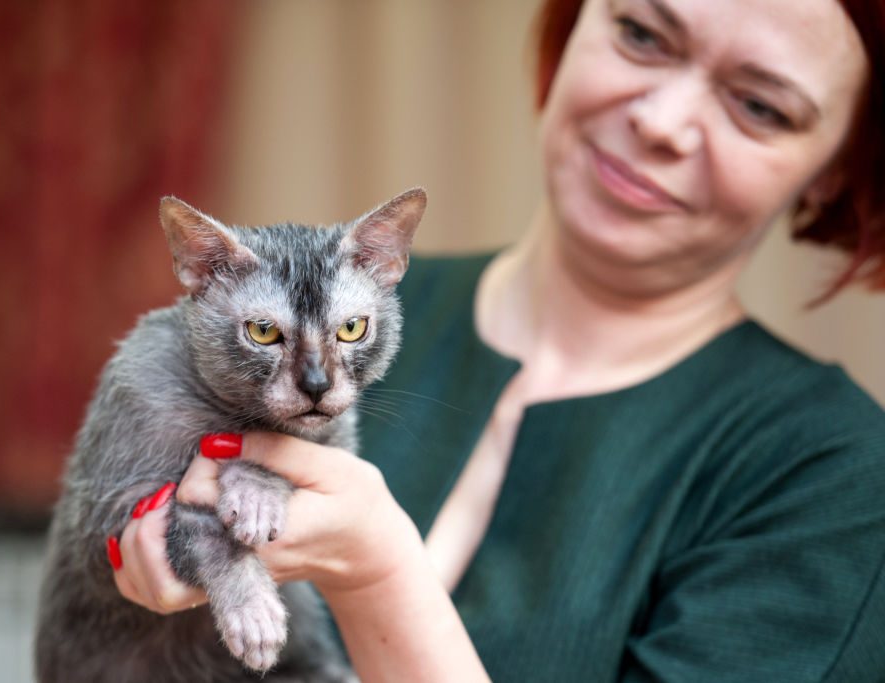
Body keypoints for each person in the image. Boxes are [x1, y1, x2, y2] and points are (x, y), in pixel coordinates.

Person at [108, 0, 885, 680]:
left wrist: (377, 573)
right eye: (643, 33)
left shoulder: (836, 475)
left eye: (760, 105)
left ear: (839, 163)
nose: (661, 121)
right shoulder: (334, 320)